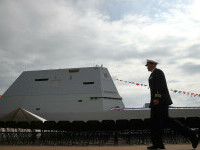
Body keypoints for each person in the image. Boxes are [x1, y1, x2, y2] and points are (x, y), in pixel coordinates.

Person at [145, 59, 198, 149]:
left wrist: (157, 97)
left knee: (167, 121)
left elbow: (159, 86)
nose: (147, 67)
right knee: (155, 124)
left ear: (152, 64)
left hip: (160, 102)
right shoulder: (153, 74)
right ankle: (158, 144)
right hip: (155, 103)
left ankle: (191, 134)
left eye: (148, 65)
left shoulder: (158, 72)